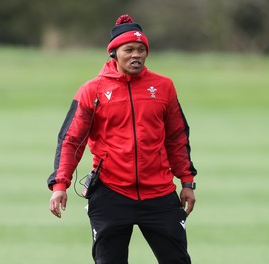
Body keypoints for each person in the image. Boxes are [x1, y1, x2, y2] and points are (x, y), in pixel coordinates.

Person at [47, 14, 197, 264]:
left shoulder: (164, 87)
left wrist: (187, 182)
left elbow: (177, 137)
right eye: (129, 50)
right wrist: (60, 185)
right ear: (114, 53)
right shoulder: (91, 91)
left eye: (141, 49)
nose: (136, 55)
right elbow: (71, 140)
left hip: (159, 193)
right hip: (110, 194)